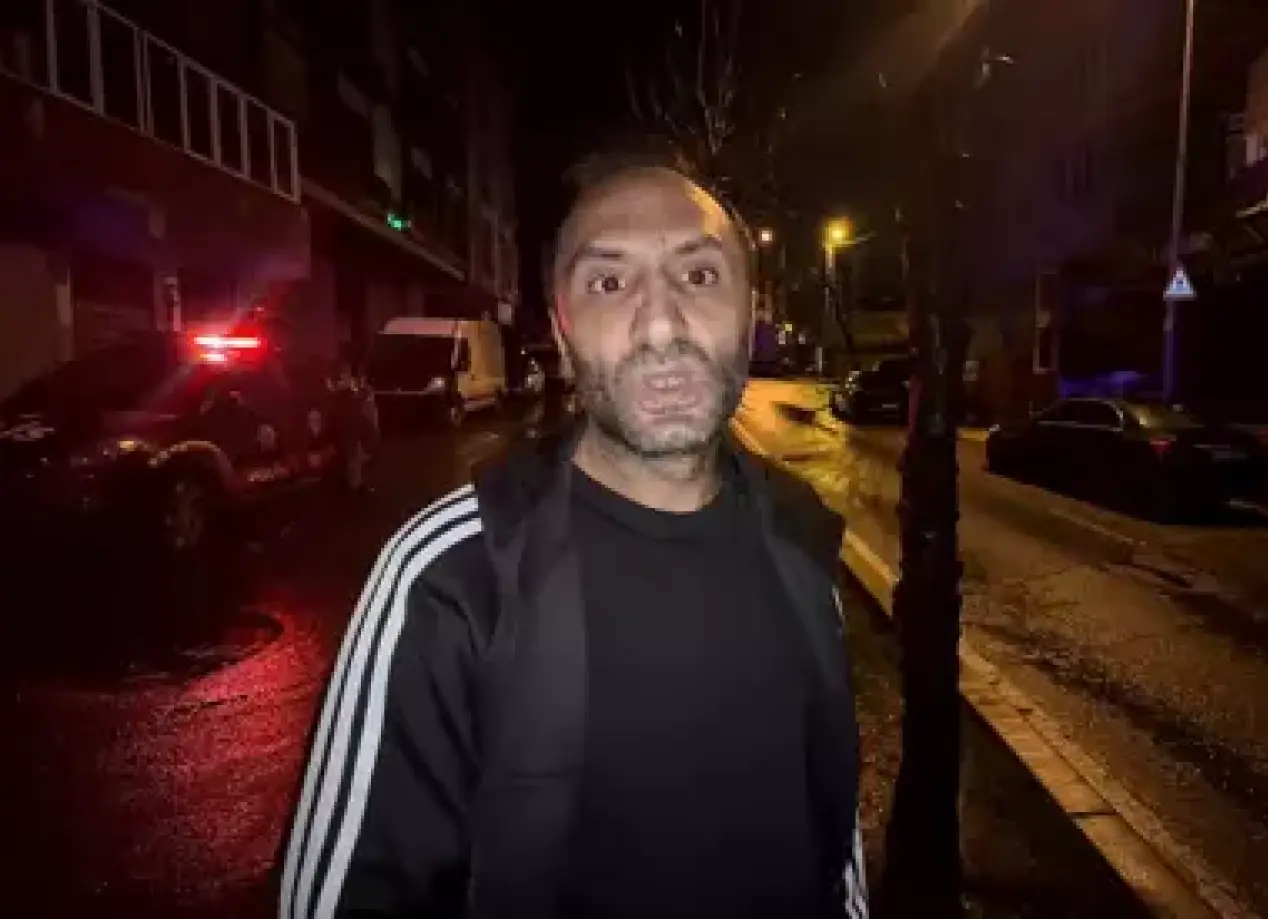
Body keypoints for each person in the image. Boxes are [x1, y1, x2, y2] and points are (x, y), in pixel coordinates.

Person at [278, 156, 867, 919]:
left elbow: (835, 847)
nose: (661, 324)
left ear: (749, 310)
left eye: (698, 276)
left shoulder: (801, 540)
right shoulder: (452, 577)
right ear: (561, 332)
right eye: (609, 283)